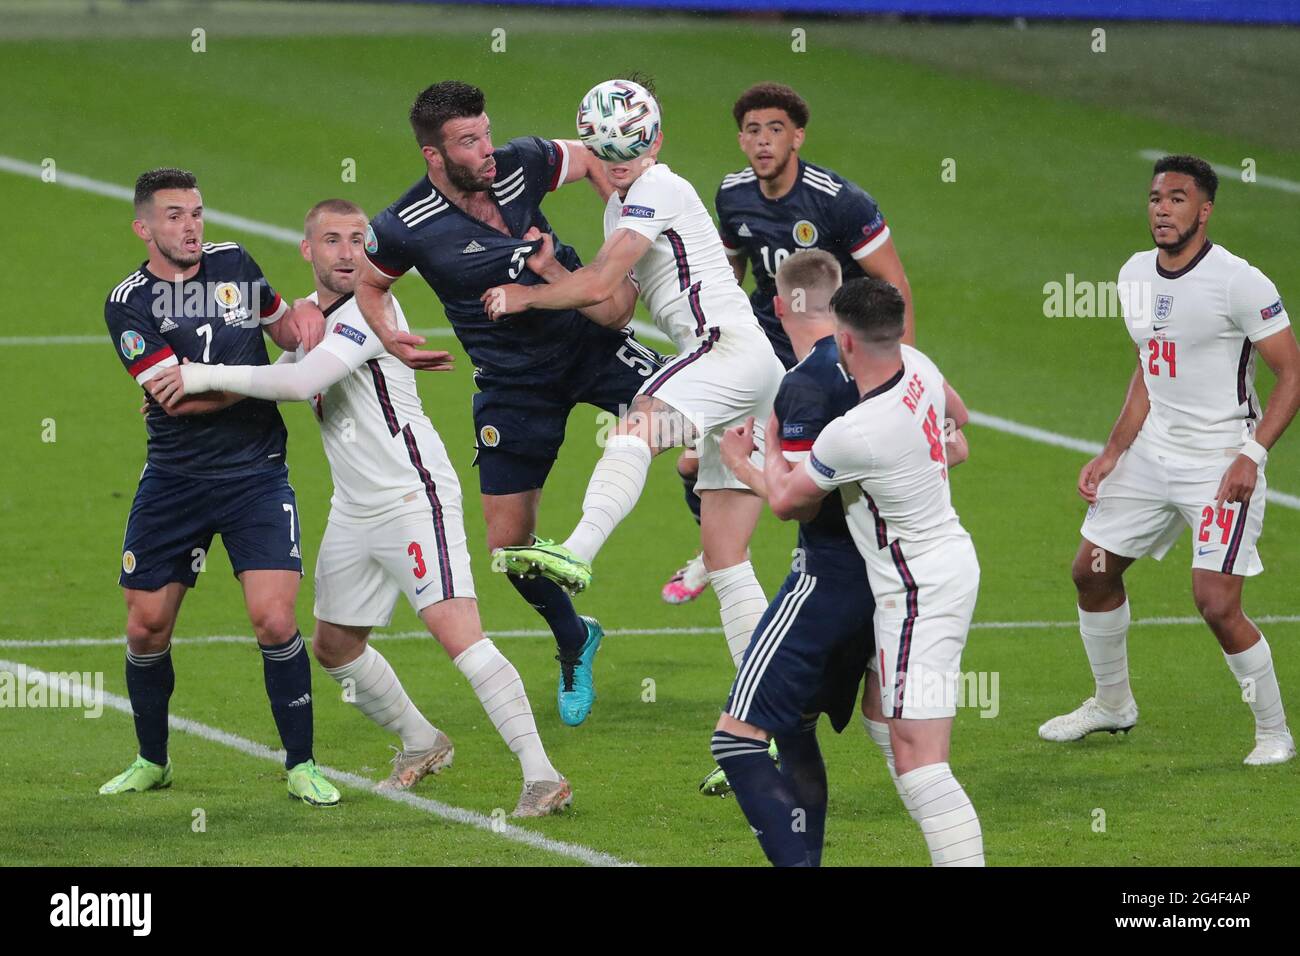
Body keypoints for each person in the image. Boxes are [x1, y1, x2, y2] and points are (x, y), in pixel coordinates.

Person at [150, 199, 571, 816]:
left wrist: (198, 374)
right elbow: (274, 377)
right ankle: (422, 741)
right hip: (354, 507)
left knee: (460, 636)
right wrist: (188, 391)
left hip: (411, 494)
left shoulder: (372, 311)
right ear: (308, 251)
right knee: (335, 644)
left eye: (358, 239)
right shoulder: (314, 319)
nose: (348, 253)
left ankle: (542, 775)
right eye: (332, 241)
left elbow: (294, 384)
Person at [352, 81, 668, 728]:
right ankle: (574, 637)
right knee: (508, 546)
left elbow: (588, 157)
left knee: (697, 420)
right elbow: (369, 285)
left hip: (588, 339)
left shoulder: (520, 161)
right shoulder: (403, 226)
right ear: (433, 156)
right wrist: (392, 340)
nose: (488, 150)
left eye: (487, 132)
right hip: (512, 384)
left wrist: (622, 227)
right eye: (470, 141)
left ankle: (722, 558)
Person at [485, 78, 784, 700]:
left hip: (722, 350)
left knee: (634, 430)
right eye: (609, 153)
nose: (621, 166)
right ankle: (765, 722)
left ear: (656, 142)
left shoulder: (660, 187)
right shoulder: (625, 206)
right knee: (727, 557)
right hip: (750, 370)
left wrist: (526, 296)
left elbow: (598, 285)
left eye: (632, 151)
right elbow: (617, 308)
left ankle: (577, 549)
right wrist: (549, 268)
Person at [1040, 154, 1299, 766]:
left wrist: (1252, 454)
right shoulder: (1134, 273)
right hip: (1153, 454)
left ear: (1204, 210)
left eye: (1178, 198)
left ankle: (1274, 732)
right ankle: (1112, 704)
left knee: (1215, 602)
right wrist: (1112, 452)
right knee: (1093, 572)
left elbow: (1290, 375)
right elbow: (1149, 367)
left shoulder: (1241, 282)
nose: (1163, 208)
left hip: (1219, 462)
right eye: (1156, 197)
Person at [99, 167, 336, 806]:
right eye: (175, 215)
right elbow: (174, 404)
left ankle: (302, 764)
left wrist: (311, 316)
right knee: (146, 627)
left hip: (256, 473)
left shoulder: (234, 263)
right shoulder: (128, 303)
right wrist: (256, 382)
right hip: (175, 480)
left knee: (273, 617)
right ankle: (153, 759)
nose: (191, 226)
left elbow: (284, 330)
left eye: (197, 213)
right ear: (144, 228)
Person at [751, 277, 983, 867]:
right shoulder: (921, 365)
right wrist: (939, 450)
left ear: (844, 341)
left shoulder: (854, 432)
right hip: (945, 563)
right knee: (892, 729)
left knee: (921, 760)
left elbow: (786, 503)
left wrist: (760, 450)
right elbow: (959, 420)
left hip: (917, 591)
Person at [661, 81, 916, 605]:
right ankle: (719, 554)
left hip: (835, 356)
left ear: (797, 137)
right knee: (690, 464)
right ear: (740, 140)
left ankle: (871, 571)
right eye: (752, 130)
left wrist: (898, 369)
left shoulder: (840, 203)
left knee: (834, 475)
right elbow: (726, 270)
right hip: (761, 347)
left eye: (775, 129)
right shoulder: (733, 195)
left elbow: (896, 285)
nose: (763, 141)